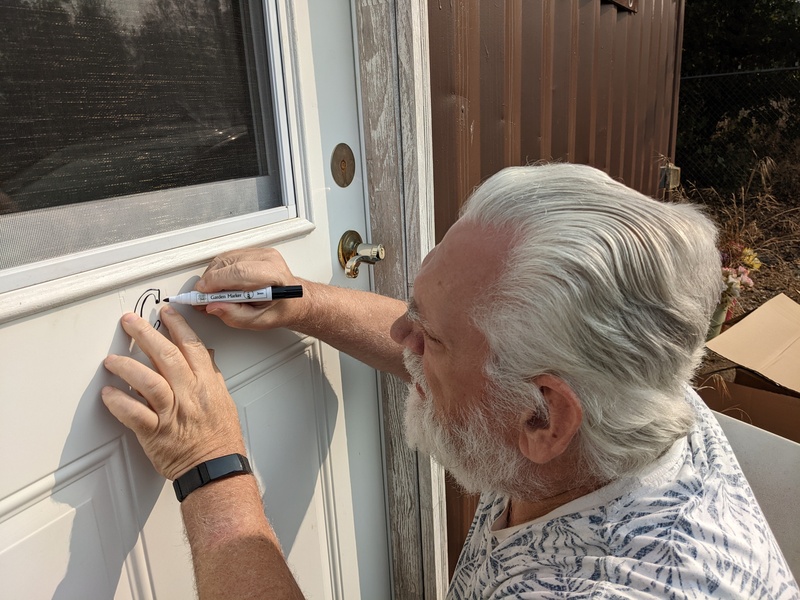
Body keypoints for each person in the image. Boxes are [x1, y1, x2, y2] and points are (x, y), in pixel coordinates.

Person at [102, 163, 799, 599]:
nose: (403, 338)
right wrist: (307, 302)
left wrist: (209, 470)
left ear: (542, 419)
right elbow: (470, 357)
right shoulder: (636, 379)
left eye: (427, 336)